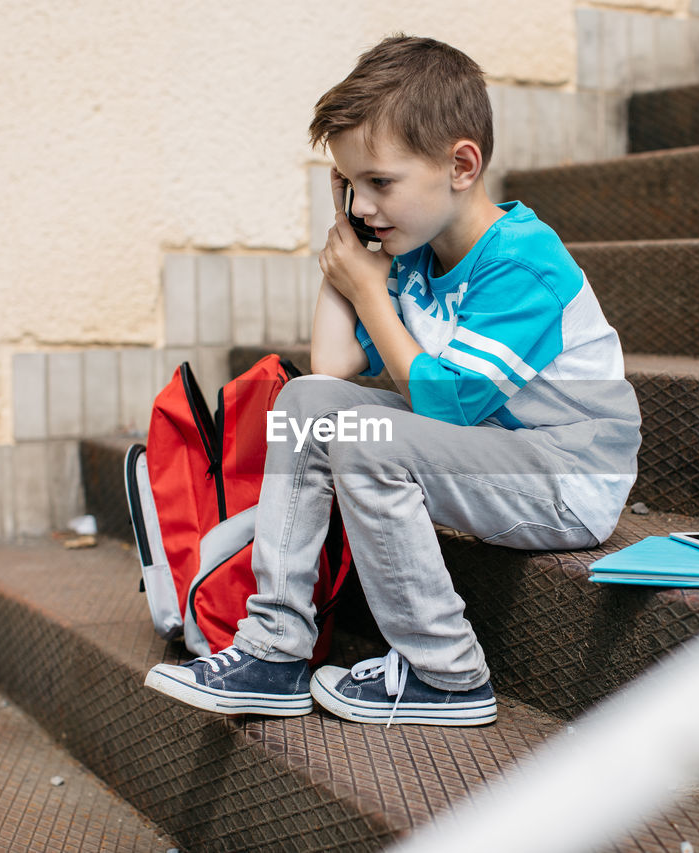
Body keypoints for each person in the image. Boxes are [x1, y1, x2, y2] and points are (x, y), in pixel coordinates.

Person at [145, 34, 641, 726]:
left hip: (567, 477)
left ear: (461, 164)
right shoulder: (414, 254)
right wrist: (346, 246)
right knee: (306, 402)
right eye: (351, 185)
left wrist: (372, 295)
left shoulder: (524, 261)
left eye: (380, 183)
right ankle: (276, 649)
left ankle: (447, 670)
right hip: (489, 461)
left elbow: (451, 402)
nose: (367, 204)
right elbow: (331, 368)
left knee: (364, 437)